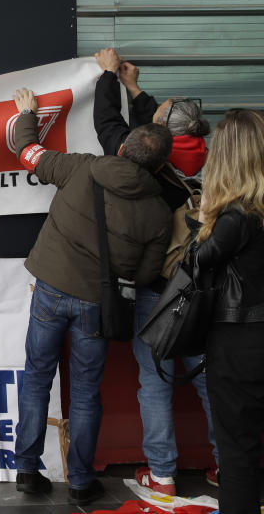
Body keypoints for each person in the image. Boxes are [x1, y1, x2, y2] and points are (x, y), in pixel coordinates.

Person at [11, 88, 173, 506]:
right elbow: (147, 274)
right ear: (159, 166)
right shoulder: (157, 212)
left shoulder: (84, 168)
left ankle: (27, 469)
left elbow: (27, 152)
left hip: (49, 290)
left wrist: (27, 113)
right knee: (85, 391)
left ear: (122, 147)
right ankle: (80, 481)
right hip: (97, 307)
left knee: (36, 378)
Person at [93, 47, 218, 495]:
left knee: (156, 382)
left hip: (156, 291)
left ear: (160, 134)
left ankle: (162, 475)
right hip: (204, 292)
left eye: (157, 113)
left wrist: (109, 79)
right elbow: (161, 126)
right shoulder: (211, 162)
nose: (152, 110)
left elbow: (112, 130)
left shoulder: (150, 167)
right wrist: (134, 88)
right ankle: (228, 465)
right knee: (207, 380)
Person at [193, 109, 264, 514]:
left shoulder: (235, 218)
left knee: (237, 457)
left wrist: (204, 219)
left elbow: (196, 264)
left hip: (241, 345)